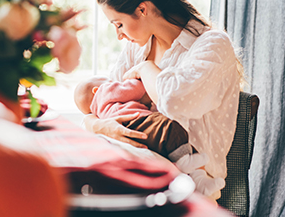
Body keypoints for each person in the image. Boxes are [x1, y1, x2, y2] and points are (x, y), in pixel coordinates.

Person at [82, 0, 241, 200]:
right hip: (139, 174)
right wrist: (97, 125)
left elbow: (174, 101)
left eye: (119, 24)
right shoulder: (138, 48)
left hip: (190, 186)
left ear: (142, 10)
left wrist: (147, 68)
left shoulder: (212, 45)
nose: (119, 35)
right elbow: (107, 98)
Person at [74, 75, 226, 197]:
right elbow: (134, 89)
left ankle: (199, 179)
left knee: (175, 144)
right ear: (96, 90)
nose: (113, 80)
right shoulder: (104, 91)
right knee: (170, 128)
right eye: (107, 80)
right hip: (137, 120)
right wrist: (137, 79)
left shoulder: (99, 113)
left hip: (128, 131)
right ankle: (186, 165)